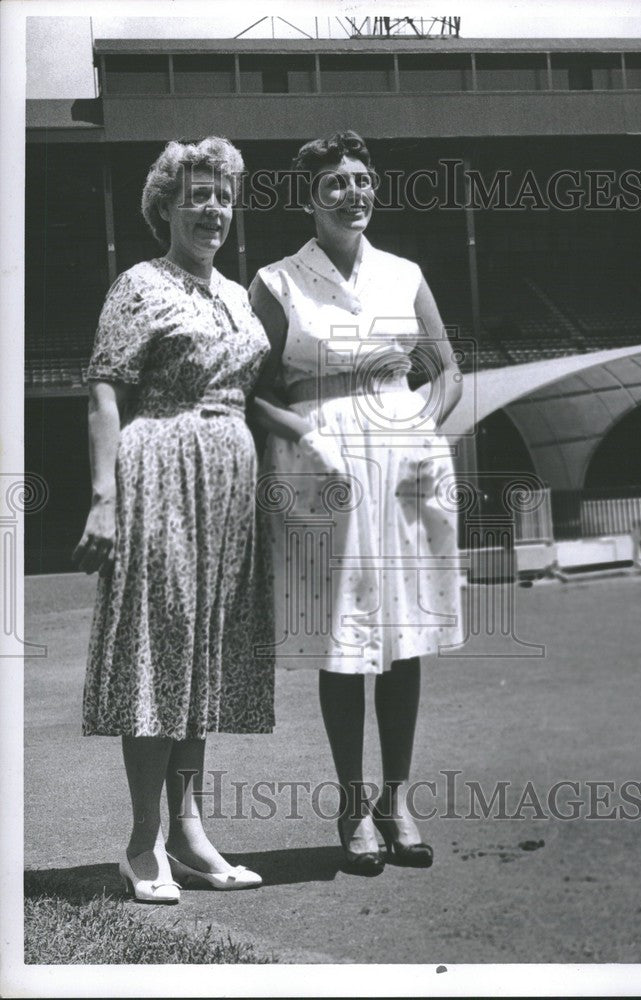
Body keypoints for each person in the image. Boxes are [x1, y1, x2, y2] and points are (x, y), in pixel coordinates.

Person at [248, 131, 464, 876]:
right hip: (323, 462)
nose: (353, 193)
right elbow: (253, 389)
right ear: (309, 196)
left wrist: (422, 434)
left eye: (363, 179)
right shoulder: (276, 282)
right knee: (344, 639)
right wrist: (303, 435)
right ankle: (351, 801)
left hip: (402, 459)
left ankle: (396, 801)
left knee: (402, 634)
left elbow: (445, 370)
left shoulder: (404, 274)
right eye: (336, 182)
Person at [74, 136, 272, 904]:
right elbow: (103, 390)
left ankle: (189, 835)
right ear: (165, 206)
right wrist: (103, 498)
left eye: (223, 194)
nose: (213, 208)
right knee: (162, 646)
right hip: (158, 467)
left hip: (229, 480)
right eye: (196, 195)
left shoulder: (237, 293)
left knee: (206, 655)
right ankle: (141, 841)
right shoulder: (139, 284)